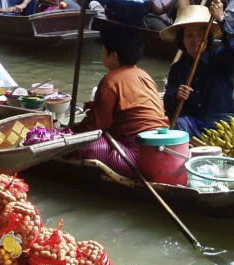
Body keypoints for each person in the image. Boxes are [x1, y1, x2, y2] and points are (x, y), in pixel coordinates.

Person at [69, 26, 169, 177]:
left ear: (114, 55)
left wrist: (71, 132)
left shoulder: (111, 81)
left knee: (85, 147)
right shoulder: (144, 75)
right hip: (162, 148)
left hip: (136, 157)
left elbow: (96, 127)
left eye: (103, 50)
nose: (102, 53)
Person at [159, 0, 234, 138]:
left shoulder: (219, 58)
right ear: (182, 40)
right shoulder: (178, 68)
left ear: (207, 39)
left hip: (224, 122)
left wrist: (222, 20)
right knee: (179, 124)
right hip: (195, 124)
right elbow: (168, 103)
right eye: (189, 36)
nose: (195, 40)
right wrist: (177, 96)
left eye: (200, 35)